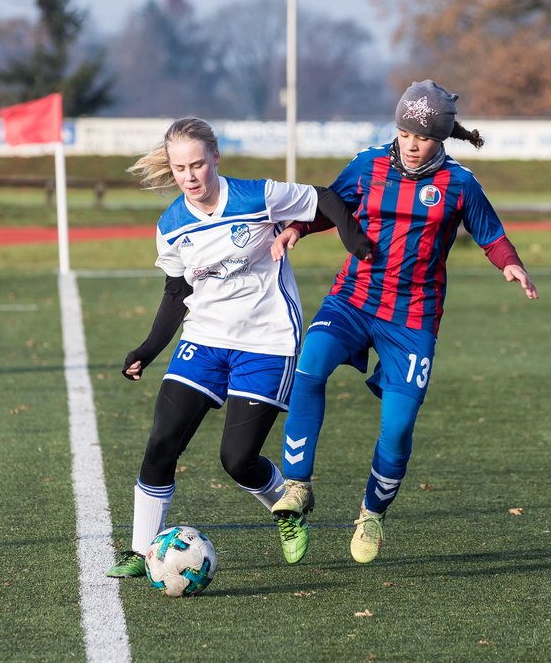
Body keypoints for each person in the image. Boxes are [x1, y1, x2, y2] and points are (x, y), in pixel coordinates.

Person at [268, 80, 539, 566]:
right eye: (405, 133)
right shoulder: (366, 164)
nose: (413, 145)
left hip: (412, 319)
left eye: (424, 137)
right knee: (309, 367)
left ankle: (371, 513)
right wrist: (296, 228)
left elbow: (490, 233)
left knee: (397, 427)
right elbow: (328, 205)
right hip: (353, 299)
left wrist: (510, 263)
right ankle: (297, 484)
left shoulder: (459, 184)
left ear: (441, 139)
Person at [105, 117, 372, 579]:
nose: (190, 176)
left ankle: (286, 512)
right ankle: (140, 550)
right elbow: (176, 293)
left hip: (266, 342)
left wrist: (355, 239)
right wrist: (148, 349)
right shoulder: (171, 225)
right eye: (180, 168)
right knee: (161, 442)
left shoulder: (256, 195)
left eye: (198, 165)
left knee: (237, 459)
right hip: (205, 340)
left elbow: (324, 197)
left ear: (215, 160)